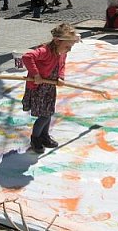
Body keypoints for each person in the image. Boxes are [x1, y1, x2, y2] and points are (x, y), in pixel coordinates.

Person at [21, 23, 80, 153]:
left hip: (49, 87)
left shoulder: (61, 52)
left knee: (49, 112)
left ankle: (44, 136)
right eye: (67, 46)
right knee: (45, 115)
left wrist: (61, 77)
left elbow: (62, 64)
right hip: (38, 87)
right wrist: (36, 74)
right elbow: (27, 57)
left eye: (71, 46)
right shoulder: (45, 51)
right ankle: (35, 138)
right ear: (57, 41)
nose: (69, 50)